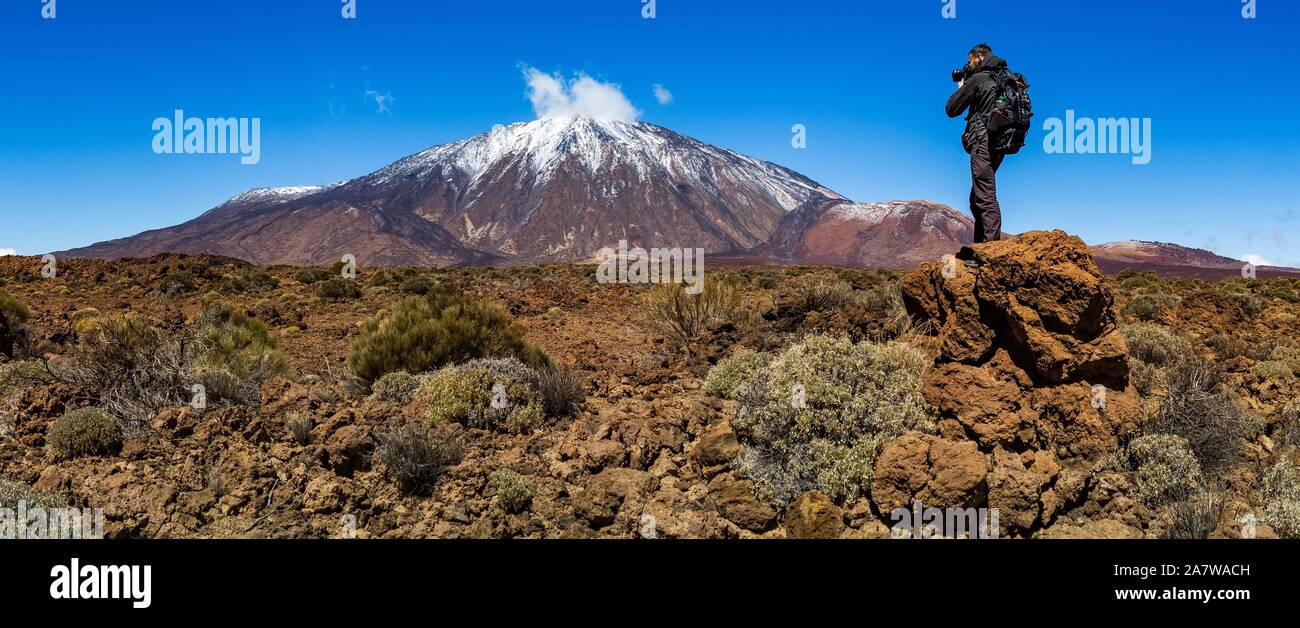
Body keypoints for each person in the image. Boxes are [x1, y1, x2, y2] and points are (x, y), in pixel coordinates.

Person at [947, 43, 1009, 248]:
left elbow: (952, 109)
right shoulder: (1002, 78)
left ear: (979, 57)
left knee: (984, 196)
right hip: (999, 144)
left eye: (970, 60)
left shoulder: (979, 79)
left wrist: (962, 86)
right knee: (977, 197)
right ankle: (981, 248)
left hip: (983, 141)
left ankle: (989, 250)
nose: (968, 64)